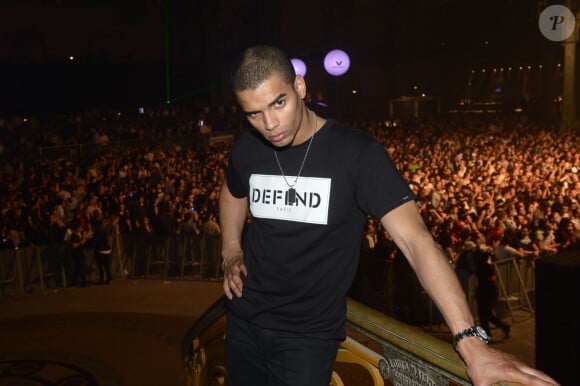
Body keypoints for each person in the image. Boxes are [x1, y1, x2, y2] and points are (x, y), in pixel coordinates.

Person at [219, 45, 558, 386]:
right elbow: (232, 192)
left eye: (279, 102)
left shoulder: (358, 154)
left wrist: (469, 341)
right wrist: (231, 250)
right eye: (254, 113)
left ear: (301, 88)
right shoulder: (249, 148)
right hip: (242, 322)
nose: (270, 123)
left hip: (306, 338)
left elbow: (415, 241)